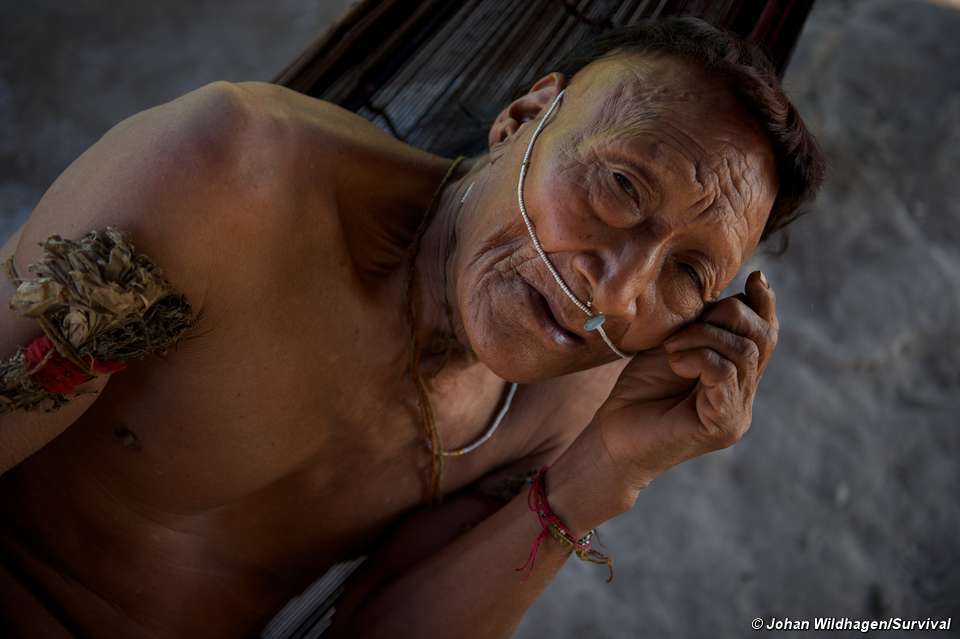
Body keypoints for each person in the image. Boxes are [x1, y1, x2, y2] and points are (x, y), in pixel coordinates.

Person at [0, 17, 823, 639]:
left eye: (686, 273)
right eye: (619, 185)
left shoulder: (568, 395)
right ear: (522, 118)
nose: (617, 290)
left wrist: (607, 469)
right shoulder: (230, 181)